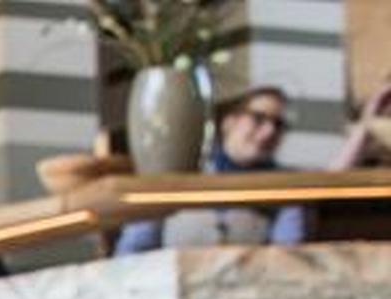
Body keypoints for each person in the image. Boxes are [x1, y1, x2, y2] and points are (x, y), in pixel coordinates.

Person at [115, 82, 391, 253]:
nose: (269, 131)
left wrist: (366, 128)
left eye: (278, 125)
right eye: (259, 118)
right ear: (229, 122)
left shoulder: (285, 189)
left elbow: (331, 183)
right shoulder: (182, 177)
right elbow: (132, 252)